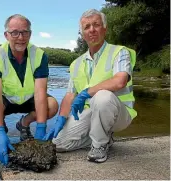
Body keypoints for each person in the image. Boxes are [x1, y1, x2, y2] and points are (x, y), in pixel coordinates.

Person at [44, 9, 137, 163]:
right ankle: (104, 137)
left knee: (102, 96)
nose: (92, 30)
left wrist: (87, 92)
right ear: (82, 34)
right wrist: (60, 119)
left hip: (119, 113)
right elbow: (69, 95)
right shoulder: (76, 63)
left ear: (104, 29)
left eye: (96, 25)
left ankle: (99, 145)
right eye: (87, 27)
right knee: (58, 143)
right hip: (91, 112)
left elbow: (120, 81)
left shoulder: (120, 52)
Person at [0, 14, 59, 166]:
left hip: (30, 97)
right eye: (14, 33)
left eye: (25, 32)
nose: (20, 37)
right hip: (7, 99)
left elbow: (40, 93)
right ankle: (2, 129)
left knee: (52, 105)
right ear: (6, 35)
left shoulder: (39, 55)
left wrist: (41, 127)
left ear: (30, 34)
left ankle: (24, 123)